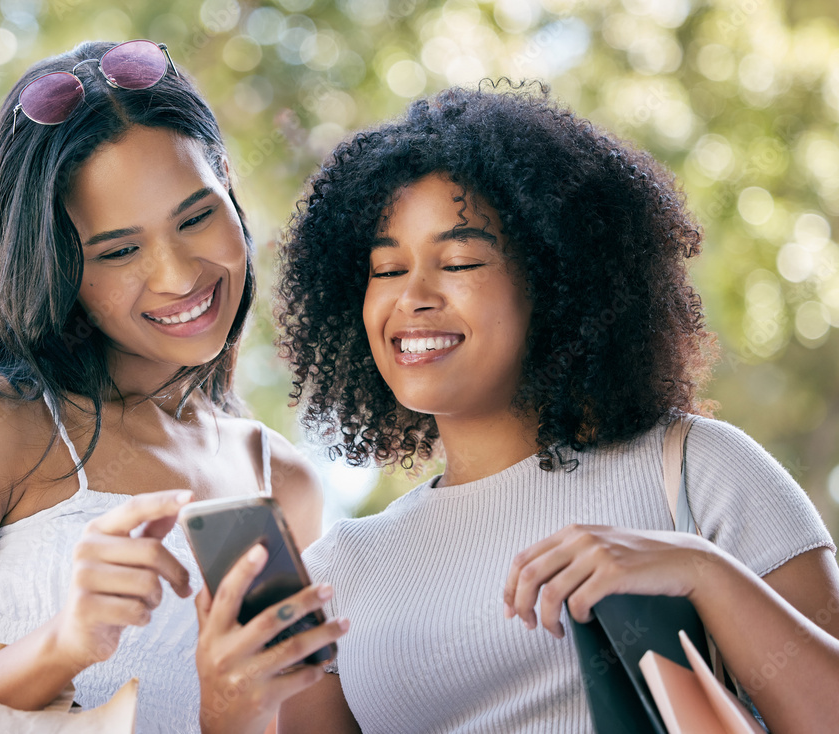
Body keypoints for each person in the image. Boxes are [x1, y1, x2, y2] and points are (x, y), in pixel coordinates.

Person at [273, 83, 839, 733]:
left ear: (554, 279)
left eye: (457, 260)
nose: (414, 298)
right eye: (386, 269)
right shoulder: (337, 571)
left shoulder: (696, 469)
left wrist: (703, 573)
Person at [0, 40, 345, 734]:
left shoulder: (282, 480)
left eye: (196, 215)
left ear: (228, 181)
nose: (176, 276)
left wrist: (233, 711)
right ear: (58, 266)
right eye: (118, 250)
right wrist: (65, 646)